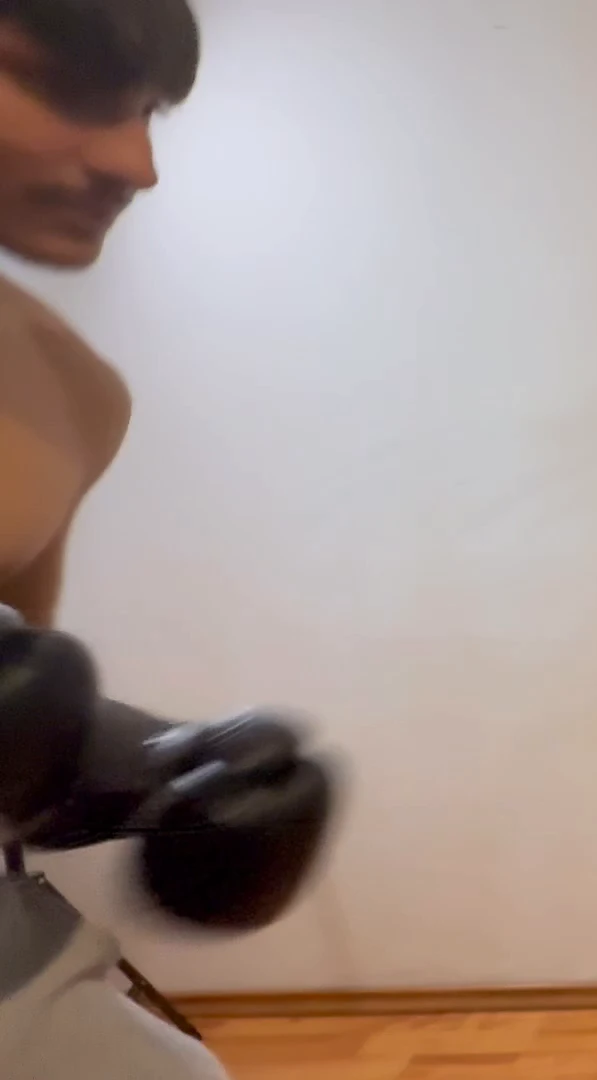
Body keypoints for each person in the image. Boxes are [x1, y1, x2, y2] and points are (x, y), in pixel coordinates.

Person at [0, 3, 338, 1079]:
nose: (136, 164)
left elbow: (17, 737)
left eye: (146, 111)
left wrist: (159, 770)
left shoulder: (68, 396)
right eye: (64, 88)